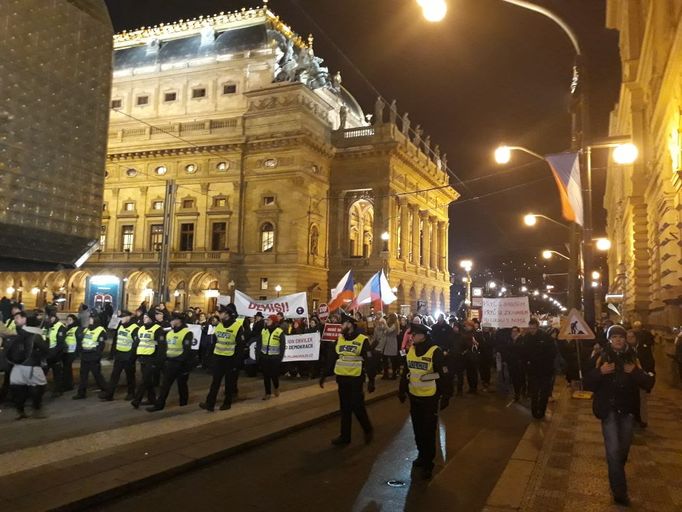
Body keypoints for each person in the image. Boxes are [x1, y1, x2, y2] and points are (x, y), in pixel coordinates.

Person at [585, 324, 654, 506]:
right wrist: (600, 372)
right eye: (614, 337)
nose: (618, 339)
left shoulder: (635, 357)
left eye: (621, 337)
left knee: (622, 451)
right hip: (608, 411)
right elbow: (587, 382)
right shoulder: (601, 357)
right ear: (609, 339)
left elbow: (649, 383)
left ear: (625, 339)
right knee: (614, 451)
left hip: (628, 411)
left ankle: (616, 472)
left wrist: (635, 372)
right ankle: (620, 492)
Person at [399, 322, 453, 479]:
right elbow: (406, 371)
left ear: (423, 336)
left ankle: (428, 463)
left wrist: (446, 395)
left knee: (428, 431)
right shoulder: (411, 350)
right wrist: (402, 390)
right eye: (411, 335)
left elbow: (443, 374)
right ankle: (422, 455)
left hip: (430, 397)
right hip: (414, 396)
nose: (411, 337)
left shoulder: (435, 351)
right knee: (417, 429)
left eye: (414, 335)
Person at [320, 310, 375, 446]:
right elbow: (332, 358)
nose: (340, 327)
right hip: (342, 379)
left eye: (342, 324)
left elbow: (369, 361)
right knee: (344, 408)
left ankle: (368, 429)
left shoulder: (362, 340)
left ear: (349, 324)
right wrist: (324, 375)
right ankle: (345, 437)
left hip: (356, 379)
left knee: (357, 407)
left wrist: (371, 380)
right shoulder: (340, 339)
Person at [200, 304, 245, 412]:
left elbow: (240, 346)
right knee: (215, 381)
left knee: (229, 383)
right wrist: (210, 357)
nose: (218, 314)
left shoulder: (237, 326)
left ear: (227, 314)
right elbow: (215, 342)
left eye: (221, 313)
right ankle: (210, 403)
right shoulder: (219, 326)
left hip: (230, 359)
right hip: (218, 357)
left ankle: (227, 403)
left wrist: (237, 363)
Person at [5, 311, 49, 419]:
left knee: (19, 388)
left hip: (17, 366)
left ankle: (20, 411)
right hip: (31, 365)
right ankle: (37, 409)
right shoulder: (36, 335)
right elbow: (45, 350)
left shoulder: (19, 332)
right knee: (40, 386)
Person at [148, 312, 194, 412]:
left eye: (173, 320)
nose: (171, 322)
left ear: (179, 320)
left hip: (181, 364)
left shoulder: (187, 333)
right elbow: (166, 348)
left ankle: (183, 403)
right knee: (165, 385)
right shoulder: (170, 333)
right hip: (170, 363)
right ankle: (159, 404)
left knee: (182, 384)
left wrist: (179, 360)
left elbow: (187, 350)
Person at [131, 309, 166, 408]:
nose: (144, 319)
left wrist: (158, 361)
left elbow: (161, 346)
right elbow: (137, 343)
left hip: (152, 358)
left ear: (151, 318)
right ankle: (152, 399)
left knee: (145, 379)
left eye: (146, 317)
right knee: (148, 380)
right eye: (144, 317)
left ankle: (137, 400)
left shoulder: (157, 329)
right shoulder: (141, 328)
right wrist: (133, 357)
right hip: (142, 357)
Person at [100, 310, 138, 401]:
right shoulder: (120, 326)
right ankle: (109, 394)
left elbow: (136, 344)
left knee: (130, 376)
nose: (121, 319)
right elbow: (116, 340)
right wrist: (114, 353)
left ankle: (131, 393)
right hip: (120, 355)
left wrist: (132, 357)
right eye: (120, 318)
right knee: (114, 375)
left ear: (129, 317)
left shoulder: (135, 328)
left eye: (123, 317)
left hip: (129, 356)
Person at [523, 318, 557, 419]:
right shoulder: (527, 337)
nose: (531, 330)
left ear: (537, 327)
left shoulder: (545, 337)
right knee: (534, 392)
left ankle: (541, 411)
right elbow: (524, 352)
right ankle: (534, 412)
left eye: (533, 328)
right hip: (532, 370)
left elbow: (552, 353)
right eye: (530, 328)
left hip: (544, 370)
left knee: (543, 393)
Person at [73, 314, 109, 399]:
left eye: (91, 319)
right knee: (83, 375)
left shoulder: (100, 330)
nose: (89, 321)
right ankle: (81, 393)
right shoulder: (87, 329)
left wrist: (97, 354)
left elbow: (101, 345)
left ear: (96, 320)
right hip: (85, 355)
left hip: (93, 356)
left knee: (97, 375)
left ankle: (106, 390)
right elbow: (83, 339)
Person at [626, 329, 655, 428]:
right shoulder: (625, 349)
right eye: (628, 338)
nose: (629, 339)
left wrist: (645, 372)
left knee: (642, 399)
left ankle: (643, 420)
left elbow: (649, 362)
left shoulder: (643, 348)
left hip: (640, 376)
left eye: (631, 337)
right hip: (629, 378)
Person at [257, 315, 285, 400]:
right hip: (264, 357)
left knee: (274, 375)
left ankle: (276, 387)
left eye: (269, 320)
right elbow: (259, 343)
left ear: (273, 321)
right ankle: (267, 393)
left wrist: (279, 358)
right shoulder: (263, 330)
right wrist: (259, 355)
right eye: (267, 320)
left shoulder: (279, 331)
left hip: (274, 358)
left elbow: (282, 346)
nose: (267, 321)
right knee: (266, 376)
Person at [43, 307, 67, 396]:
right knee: (43, 372)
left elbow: (60, 344)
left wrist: (54, 354)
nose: (49, 319)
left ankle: (58, 390)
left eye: (50, 317)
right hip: (47, 353)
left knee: (57, 373)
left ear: (53, 317)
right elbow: (43, 337)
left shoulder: (60, 327)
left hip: (55, 354)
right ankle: (39, 389)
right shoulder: (47, 325)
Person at [61, 314, 81, 392]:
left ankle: (68, 385)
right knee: (67, 368)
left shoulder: (76, 329)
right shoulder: (67, 328)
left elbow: (79, 341)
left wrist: (77, 352)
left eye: (70, 320)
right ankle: (68, 384)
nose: (68, 321)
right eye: (67, 320)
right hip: (66, 351)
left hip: (72, 352)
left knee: (66, 368)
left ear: (74, 321)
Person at [506, 326, 527, 401]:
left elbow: (520, 348)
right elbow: (507, 348)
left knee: (521, 378)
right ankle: (517, 393)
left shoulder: (521, 339)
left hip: (520, 363)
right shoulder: (510, 339)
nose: (513, 333)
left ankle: (523, 391)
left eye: (515, 331)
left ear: (518, 332)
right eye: (512, 331)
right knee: (515, 379)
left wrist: (513, 344)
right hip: (512, 363)